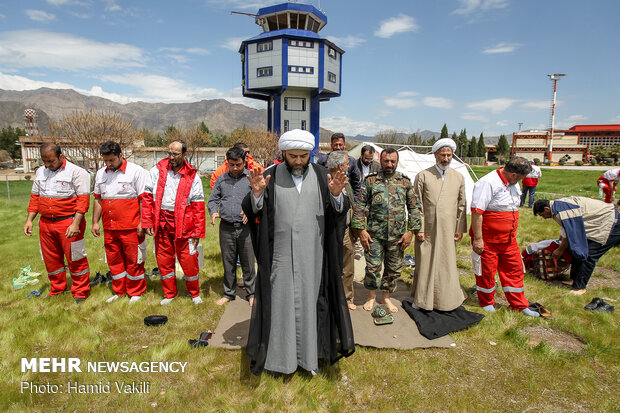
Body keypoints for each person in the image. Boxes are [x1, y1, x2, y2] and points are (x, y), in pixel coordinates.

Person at [241, 129, 354, 375]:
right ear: (283, 153)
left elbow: (340, 210)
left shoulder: (324, 176)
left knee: (312, 304)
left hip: (314, 257)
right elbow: (253, 211)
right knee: (280, 304)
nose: (299, 161)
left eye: (304, 156)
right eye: (293, 156)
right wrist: (258, 194)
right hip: (279, 256)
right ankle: (280, 361)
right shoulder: (269, 175)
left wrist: (336, 196)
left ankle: (310, 358)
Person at [351, 148, 422, 313]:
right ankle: (371, 297)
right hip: (373, 235)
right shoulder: (370, 181)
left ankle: (386, 297)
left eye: (392, 161)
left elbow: (414, 208)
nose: (389, 164)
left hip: (397, 236)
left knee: (393, 269)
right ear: (380, 161)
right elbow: (359, 207)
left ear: (397, 162)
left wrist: (410, 232)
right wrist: (361, 230)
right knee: (372, 268)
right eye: (386, 161)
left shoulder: (404, 182)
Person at [470, 157, 541, 316]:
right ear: (514, 175)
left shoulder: (514, 184)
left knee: (515, 270)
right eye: (522, 178)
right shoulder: (488, 183)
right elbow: (477, 213)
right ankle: (486, 302)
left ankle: (519, 304)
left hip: (508, 240)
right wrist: (478, 239)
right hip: (488, 240)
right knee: (486, 272)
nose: (522, 181)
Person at [24, 143, 91, 303]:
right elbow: (35, 197)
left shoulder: (77, 172)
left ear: (61, 156)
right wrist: (29, 220)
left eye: (51, 161)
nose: (48, 165)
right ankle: (57, 288)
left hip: (68, 222)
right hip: (46, 224)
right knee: (51, 258)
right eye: (45, 161)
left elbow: (83, 201)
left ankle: (81, 291)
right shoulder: (41, 172)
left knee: (75, 257)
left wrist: (76, 224)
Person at [142, 140, 206, 305]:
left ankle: (194, 293)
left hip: (185, 223)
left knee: (189, 259)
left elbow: (198, 205)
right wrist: (147, 221)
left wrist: (198, 232)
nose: (171, 157)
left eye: (175, 154)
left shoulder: (193, 176)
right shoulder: (156, 171)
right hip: (162, 221)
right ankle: (169, 294)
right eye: (169, 153)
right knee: (163, 258)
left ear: (184, 155)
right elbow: (147, 197)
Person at [411, 138, 467, 311]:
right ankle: (422, 300)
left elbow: (461, 205)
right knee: (425, 261)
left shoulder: (458, 177)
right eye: (442, 155)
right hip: (427, 229)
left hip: (448, 228)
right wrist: (419, 228)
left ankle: (447, 300)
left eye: (449, 155)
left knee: (446, 261)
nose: (446, 158)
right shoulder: (423, 176)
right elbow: (416, 204)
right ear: (435, 155)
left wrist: (459, 229)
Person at [92, 141, 149, 304]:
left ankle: (136, 291)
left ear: (121, 155)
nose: (109, 164)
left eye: (112, 160)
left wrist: (142, 223)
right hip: (110, 227)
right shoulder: (100, 174)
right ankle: (119, 290)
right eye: (106, 161)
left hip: (131, 227)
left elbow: (143, 200)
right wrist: (95, 222)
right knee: (114, 260)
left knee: (134, 260)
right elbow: (98, 199)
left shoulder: (136, 172)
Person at [533, 197, 620, 295]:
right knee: (576, 249)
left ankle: (580, 287)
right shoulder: (557, 208)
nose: (543, 217)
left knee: (590, 255)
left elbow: (571, 233)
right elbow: (564, 230)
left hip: (610, 223)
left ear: (546, 209)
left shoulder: (561, 211)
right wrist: (560, 243)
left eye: (542, 215)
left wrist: (560, 250)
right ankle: (574, 280)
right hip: (597, 223)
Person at [207, 146, 256, 307]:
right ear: (227, 163)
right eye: (232, 164)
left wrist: (251, 211)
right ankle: (229, 293)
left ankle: (252, 293)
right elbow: (213, 200)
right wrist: (214, 211)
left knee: (248, 262)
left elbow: (260, 200)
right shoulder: (221, 180)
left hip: (246, 228)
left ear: (245, 162)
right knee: (228, 262)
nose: (235, 168)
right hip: (226, 228)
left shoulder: (251, 178)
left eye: (238, 165)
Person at [327, 150, 357, 310]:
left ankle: (347, 299)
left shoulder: (347, 181)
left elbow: (352, 205)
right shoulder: (323, 180)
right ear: (340, 166)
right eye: (346, 164)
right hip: (329, 231)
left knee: (347, 265)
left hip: (346, 231)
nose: (348, 166)